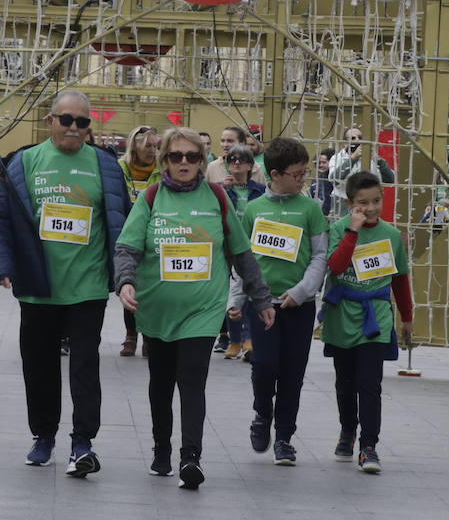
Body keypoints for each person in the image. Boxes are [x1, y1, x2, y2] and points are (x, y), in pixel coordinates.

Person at [115, 127, 275, 490]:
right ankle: (160, 449)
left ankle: (191, 457)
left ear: (201, 161)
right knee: (160, 383)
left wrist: (261, 298)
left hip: (202, 311)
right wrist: (125, 282)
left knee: (191, 381)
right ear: (165, 160)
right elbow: (127, 247)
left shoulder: (217, 197)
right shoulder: (152, 197)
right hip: (156, 310)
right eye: (176, 156)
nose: (183, 163)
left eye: (191, 156)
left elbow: (242, 253)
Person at [0, 90, 130, 477]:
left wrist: (126, 274)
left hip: (88, 286)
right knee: (39, 364)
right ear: (50, 121)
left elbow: (123, 219)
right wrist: (1, 266)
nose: (75, 129)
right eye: (67, 120)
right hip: (38, 283)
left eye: (83, 122)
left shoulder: (106, 165)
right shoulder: (23, 162)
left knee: (84, 366)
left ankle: (83, 443)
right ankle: (44, 434)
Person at [235, 137, 328, 466]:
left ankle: (285, 437)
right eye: (297, 173)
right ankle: (262, 413)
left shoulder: (311, 209)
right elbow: (242, 258)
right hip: (263, 305)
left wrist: (302, 291)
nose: (303, 178)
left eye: (305, 173)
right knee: (264, 365)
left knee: (292, 373)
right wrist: (237, 297)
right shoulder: (255, 210)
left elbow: (319, 256)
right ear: (275, 174)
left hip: (299, 306)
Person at [321, 172, 413, 474]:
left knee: (369, 384)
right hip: (342, 315)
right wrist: (352, 232)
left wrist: (407, 317)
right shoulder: (337, 229)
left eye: (376, 201)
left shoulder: (393, 235)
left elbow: (400, 279)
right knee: (345, 383)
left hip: (376, 317)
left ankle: (369, 445)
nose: (371, 208)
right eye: (363, 203)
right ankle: (348, 430)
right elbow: (334, 266)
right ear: (350, 203)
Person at [118, 125, 161, 357]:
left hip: (152, 235)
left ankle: (148, 335)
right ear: (134, 145)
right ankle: (131, 335)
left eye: (156, 146)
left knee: (149, 288)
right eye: (147, 146)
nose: (152, 151)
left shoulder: (162, 171)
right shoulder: (119, 169)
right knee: (129, 284)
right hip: (126, 234)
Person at [218, 144, 265, 360]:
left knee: (250, 293)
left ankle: (248, 338)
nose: (236, 163)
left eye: (242, 160)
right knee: (232, 296)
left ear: (250, 165)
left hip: (253, 246)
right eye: (232, 160)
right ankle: (234, 339)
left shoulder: (260, 191)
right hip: (227, 247)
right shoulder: (220, 191)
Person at [327, 128, 396, 217]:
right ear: (344, 143)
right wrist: (353, 158)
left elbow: (391, 180)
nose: (357, 141)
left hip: (367, 206)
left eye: (360, 137)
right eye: (353, 138)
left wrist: (378, 160)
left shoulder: (372, 160)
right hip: (343, 206)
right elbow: (334, 179)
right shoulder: (337, 158)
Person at [311, 147, 336, 217]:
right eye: (319, 163)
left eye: (324, 162)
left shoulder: (334, 180)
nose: (320, 165)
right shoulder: (316, 179)